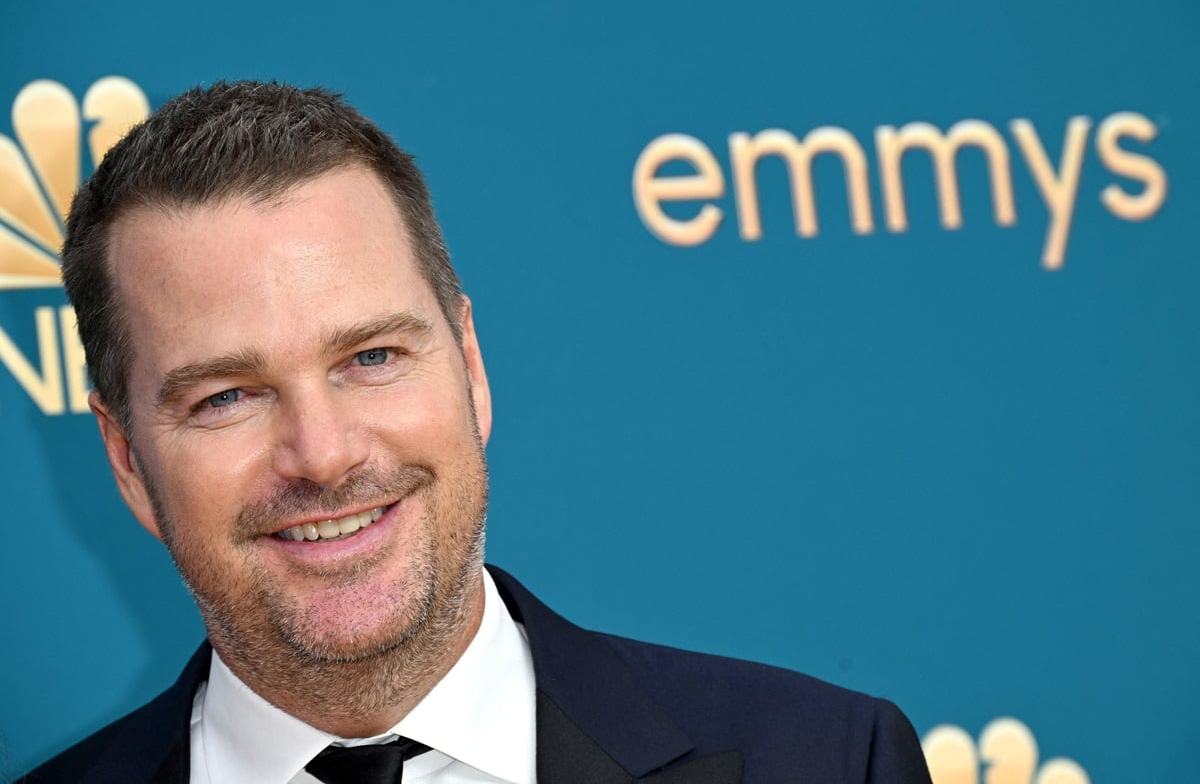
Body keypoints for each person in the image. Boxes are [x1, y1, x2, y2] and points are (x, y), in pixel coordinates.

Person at [20, 81, 933, 784]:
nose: (325, 452)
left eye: (371, 357)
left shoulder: (829, 759)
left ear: (471, 368)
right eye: (226, 396)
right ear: (129, 460)